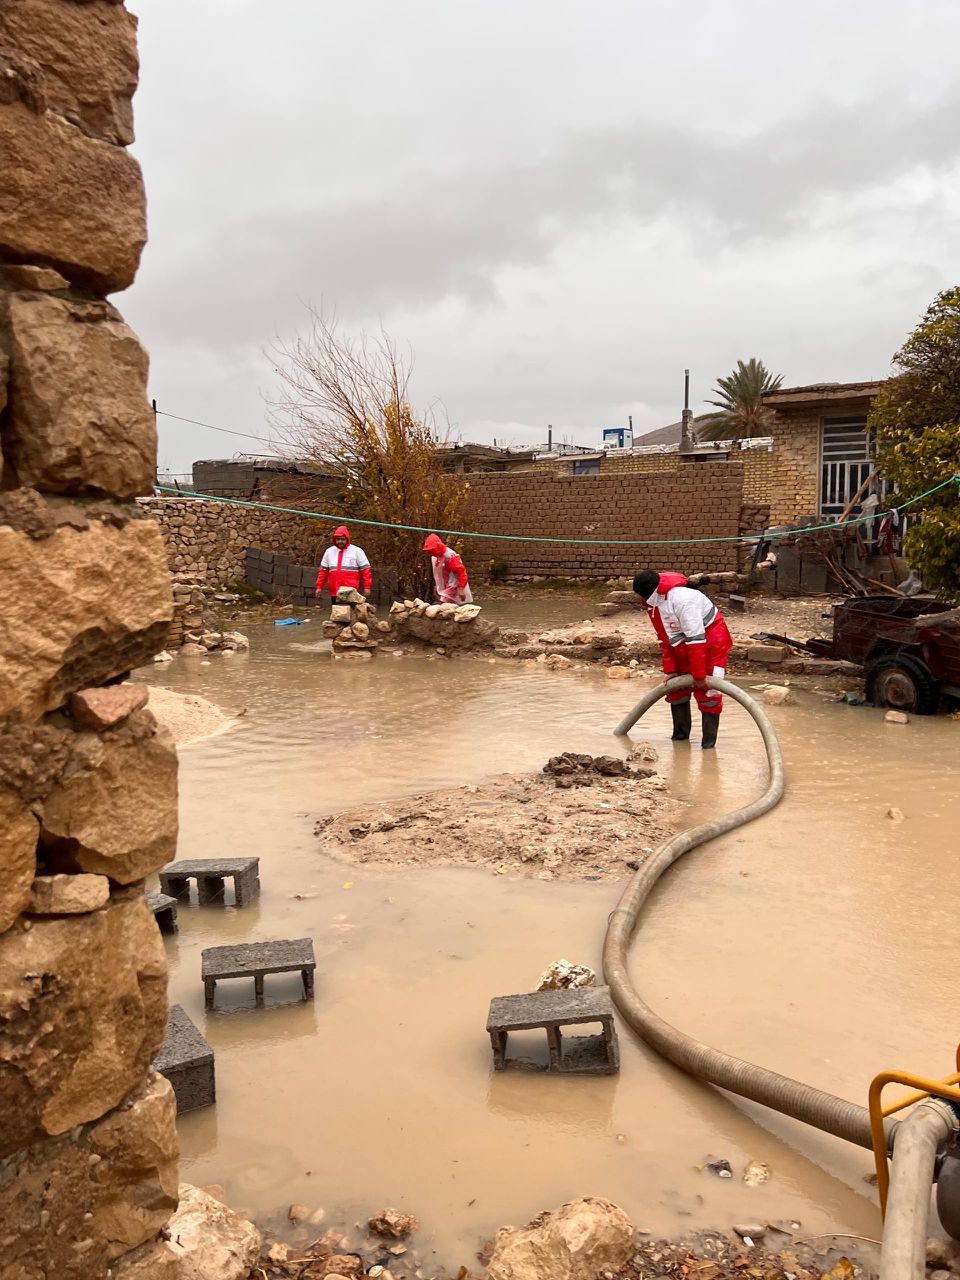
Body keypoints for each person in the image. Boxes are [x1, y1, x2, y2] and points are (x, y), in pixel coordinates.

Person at [632, 569, 733, 750]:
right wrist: (671, 670)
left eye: (640, 597)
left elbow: (697, 640)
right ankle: (680, 741)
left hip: (711, 645)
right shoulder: (656, 605)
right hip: (683, 646)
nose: (639, 602)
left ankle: (708, 748)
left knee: (709, 694)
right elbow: (665, 638)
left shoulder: (684, 600)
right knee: (676, 690)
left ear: (649, 594)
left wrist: (700, 676)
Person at [315, 525, 372, 601]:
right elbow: (323, 572)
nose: (340, 541)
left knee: (350, 612)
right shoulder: (329, 552)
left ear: (347, 539)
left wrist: (367, 587)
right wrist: (319, 587)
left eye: (342, 539)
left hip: (351, 592)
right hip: (335, 591)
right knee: (337, 612)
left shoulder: (357, 551)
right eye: (338, 539)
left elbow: (366, 571)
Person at [422, 533, 472, 604]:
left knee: (444, 603)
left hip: (452, 585)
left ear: (437, 548)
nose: (429, 554)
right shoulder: (439, 555)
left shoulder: (449, 556)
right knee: (448, 604)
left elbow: (461, 572)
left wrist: (460, 589)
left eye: (431, 551)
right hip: (446, 584)